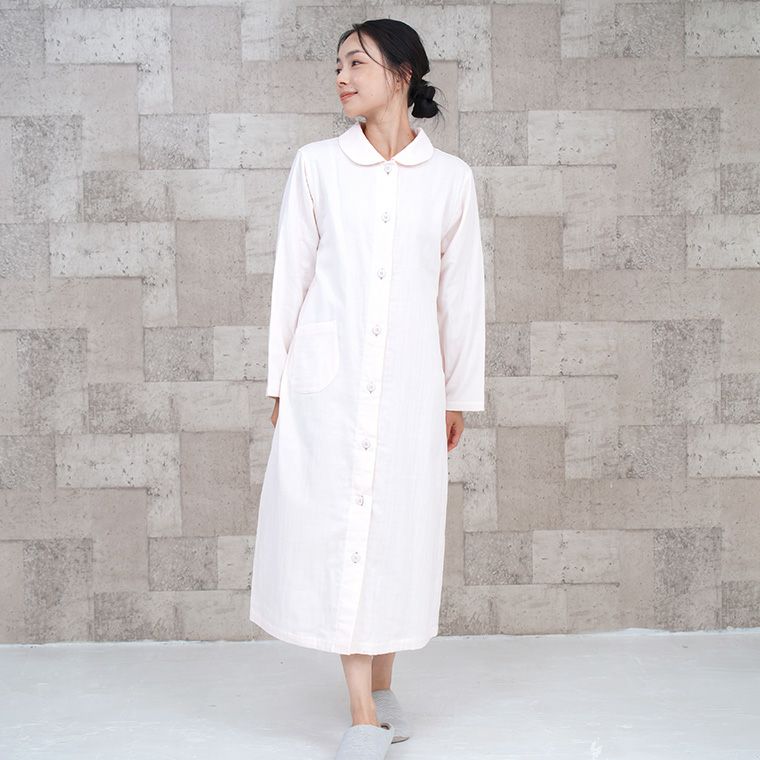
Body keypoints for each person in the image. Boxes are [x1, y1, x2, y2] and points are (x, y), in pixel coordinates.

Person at [249, 18, 486, 760]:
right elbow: (291, 277)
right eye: (338, 65)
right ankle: (361, 714)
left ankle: (382, 689)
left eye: (357, 63)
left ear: (402, 74)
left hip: (413, 385)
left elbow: (460, 295)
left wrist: (456, 394)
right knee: (343, 526)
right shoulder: (317, 165)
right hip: (329, 385)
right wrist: (281, 382)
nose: (342, 77)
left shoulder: (449, 179)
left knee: (394, 528)